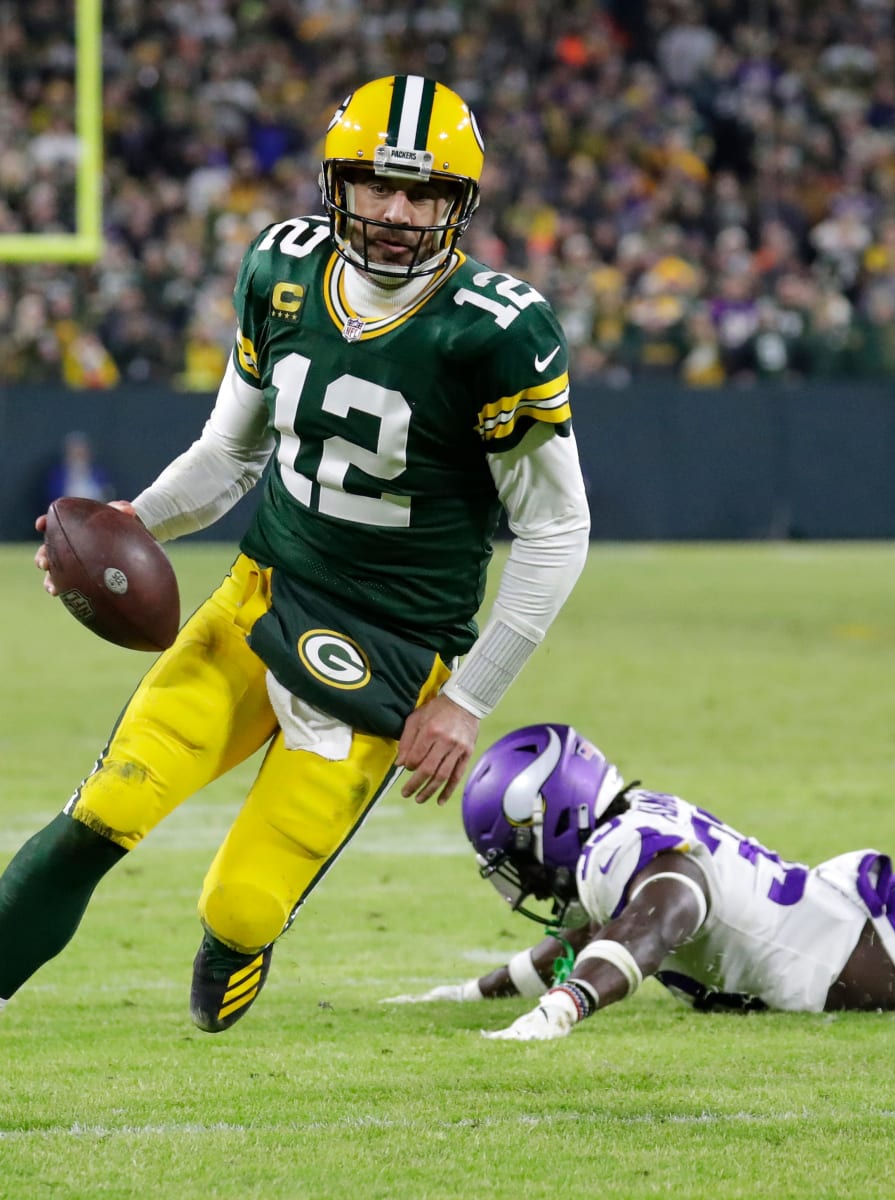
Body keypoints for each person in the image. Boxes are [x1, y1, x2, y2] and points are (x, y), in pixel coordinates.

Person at [0, 75, 589, 1033]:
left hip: (390, 653)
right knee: (103, 812)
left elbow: (558, 528)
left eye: (425, 194)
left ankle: (242, 942)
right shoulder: (281, 266)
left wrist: (469, 696)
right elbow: (231, 455)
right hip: (259, 596)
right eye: (376, 185)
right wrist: (130, 522)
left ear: (460, 205)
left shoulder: (497, 332)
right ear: (336, 182)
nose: (397, 214)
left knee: (238, 910)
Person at [385, 622, 895, 1039]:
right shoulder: (620, 837)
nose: (517, 882)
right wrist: (472, 992)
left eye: (514, 859)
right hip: (887, 932)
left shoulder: (626, 857)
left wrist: (563, 1011)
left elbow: (667, 905)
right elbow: (601, 934)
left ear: (550, 823)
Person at [46, 430, 115, 506]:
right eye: (75, 453)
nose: (79, 457)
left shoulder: (98, 473)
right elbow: (54, 496)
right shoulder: (58, 475)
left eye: (82, 453)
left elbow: (107, 493)